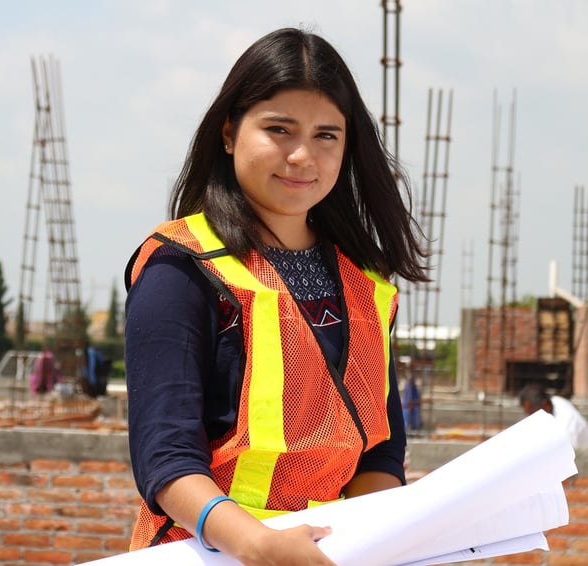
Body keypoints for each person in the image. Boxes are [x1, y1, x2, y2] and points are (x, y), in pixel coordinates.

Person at [123, 27, 429, 565]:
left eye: (326, 135)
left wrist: (376, 537)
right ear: (228, 132)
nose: (301, 156)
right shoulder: (179, 268)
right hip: (204, 551)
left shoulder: (366, 283)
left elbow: (378, 450)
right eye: (278, 129)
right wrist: (255, 544)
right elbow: (166, 459)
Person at [519, 382, 588, 450]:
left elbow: (566, 454)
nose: (530, 417)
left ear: (545, 405)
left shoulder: (566, 424)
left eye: (532, 413)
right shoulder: (552, 402)